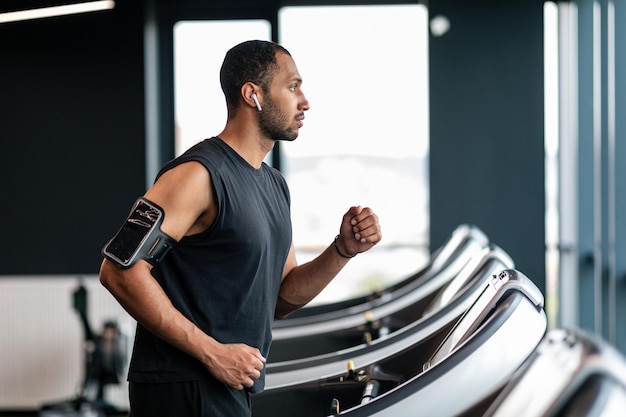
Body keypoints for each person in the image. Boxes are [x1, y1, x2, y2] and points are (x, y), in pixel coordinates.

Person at [98, 39, 382, 417]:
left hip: (230, 382)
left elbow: (281, 298)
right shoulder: (196, 175)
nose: (305, 101)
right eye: (293, 86)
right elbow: (119, 271)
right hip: (182, 386)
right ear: (253, 94)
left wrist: (342, 250)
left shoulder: (274, 185)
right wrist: (211, 352)